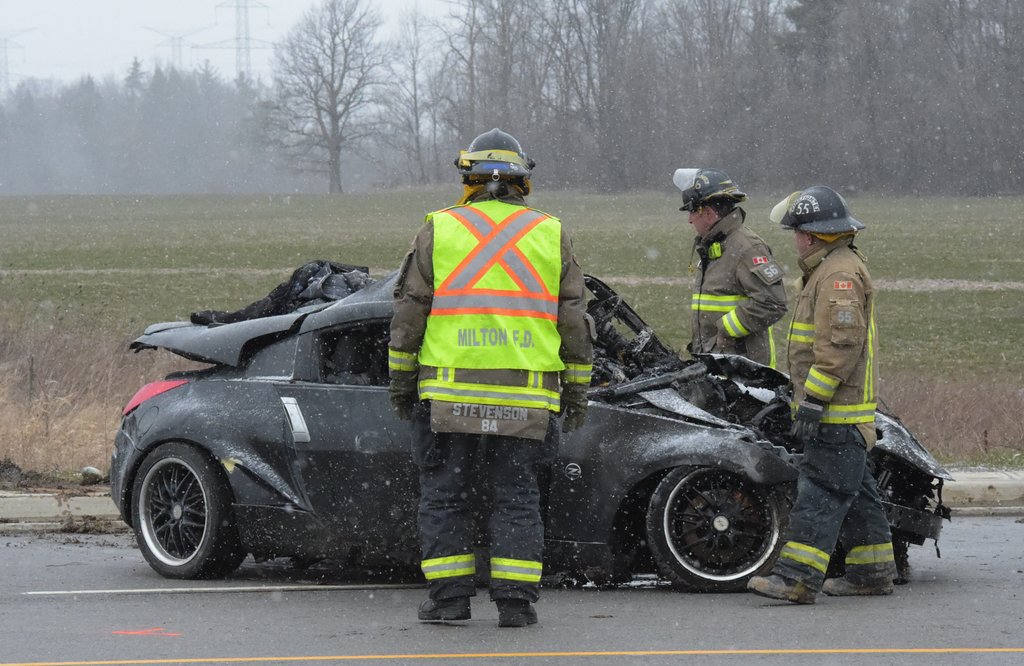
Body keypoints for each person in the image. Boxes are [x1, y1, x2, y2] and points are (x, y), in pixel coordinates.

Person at [388, 128, 593, 628]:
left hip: (447, 396)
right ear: (524, 181)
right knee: (517, 498)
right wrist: (577, 390)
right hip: (525, 398)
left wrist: (400, 381)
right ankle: (516, 604)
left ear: (467, 177)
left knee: (445, 497)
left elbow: (409, 313)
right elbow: (575, 322)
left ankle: (449, 600)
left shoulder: (438, 229)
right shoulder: (551, 233)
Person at [747, 186, 897, 604]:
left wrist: (813, 399)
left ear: (812, 236)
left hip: (836, 410)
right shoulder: (835, 267)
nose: (793, 239)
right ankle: (872, 571)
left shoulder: (837, 275)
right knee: (857, 491)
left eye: (796, 232)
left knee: (822, 490)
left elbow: (840, 344)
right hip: (847, 412)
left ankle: (796, 578)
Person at [673, 168, 787, 367]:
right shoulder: (715, 245)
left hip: (743, 373)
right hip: (718, 364)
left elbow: (772, 303)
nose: (690, 219)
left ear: (708, 212)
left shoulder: (747, 248)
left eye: (692, 211)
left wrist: (725, 330)